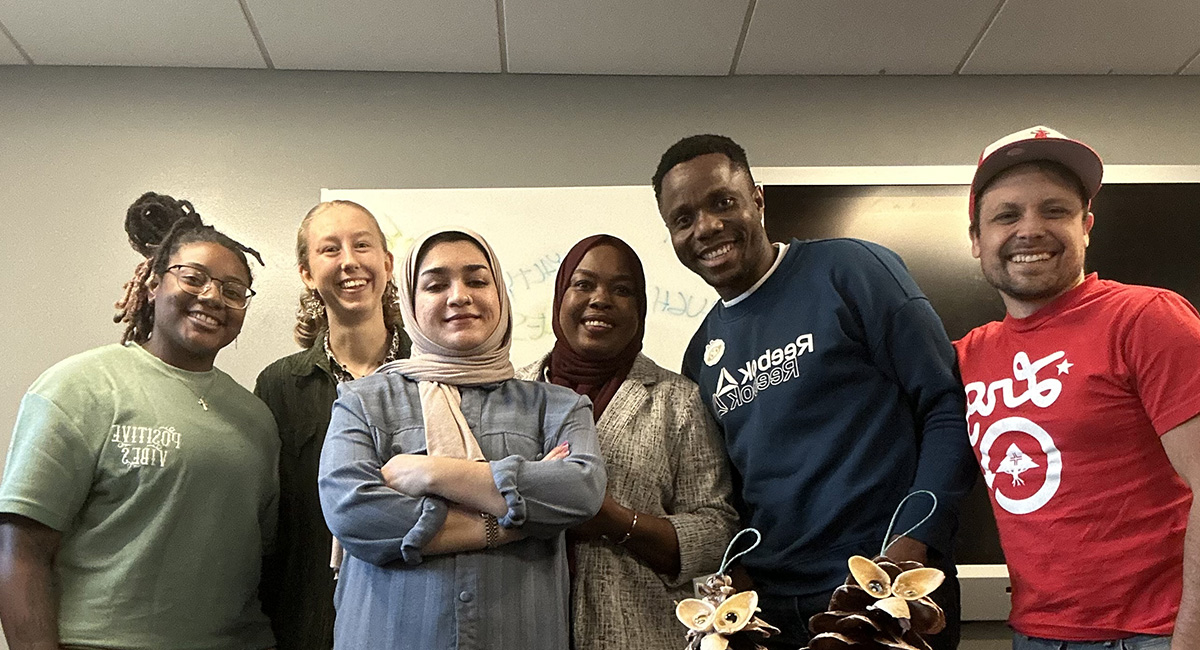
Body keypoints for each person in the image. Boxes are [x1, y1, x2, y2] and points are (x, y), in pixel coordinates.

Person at [652, 134, 975, 649]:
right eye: (683, 218)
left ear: (757, 199)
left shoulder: (851, 271)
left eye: (722, 202)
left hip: (881, 589)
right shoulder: (702, 352)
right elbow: (727, 489)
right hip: (770, 612)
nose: (706, 227)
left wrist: (913, 542)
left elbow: (945, 404)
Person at [954, 125, 1200, 648]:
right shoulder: (967, 355)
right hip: (1035, 632)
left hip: (1155, 633)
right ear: (977, 240)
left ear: (1086, 226)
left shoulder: (1147, 319)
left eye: (1055, 210)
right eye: (1006, 215)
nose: (1030, 230)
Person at [0, 192, 278, 649]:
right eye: (194, 277)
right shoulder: (81, 387)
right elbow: (21, 549)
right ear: (152, 283)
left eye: (233, 290)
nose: (213, 296)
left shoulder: (256, 417)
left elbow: (261, 560)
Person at [317, 228, 606, 650]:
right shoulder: (363, 402)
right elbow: (353, 511)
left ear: (500, 295)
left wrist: (431, 473)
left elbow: (580, 491)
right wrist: (510, 523)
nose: (459, 296)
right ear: (412, 304)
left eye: (477, 280)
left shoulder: (557, 407)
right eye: (435, 285)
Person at [515, 234, 739, 650]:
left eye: (622, 290)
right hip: (518, 627)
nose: (600, 300)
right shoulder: (513, 392)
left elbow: (716, 529)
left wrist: (615, 522)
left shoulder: (677, 400)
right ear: (559, 296)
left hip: (639, 633)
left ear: (640, 309)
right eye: (583, 284)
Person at [255, 200, 411, 650]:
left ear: (386, 263)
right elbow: (270, 526)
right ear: (306, 273)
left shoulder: (430, 376)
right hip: (308, 621)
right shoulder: (279, 385)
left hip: (412, 614)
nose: (349, 262)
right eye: (330, 250)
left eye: (362, 245)